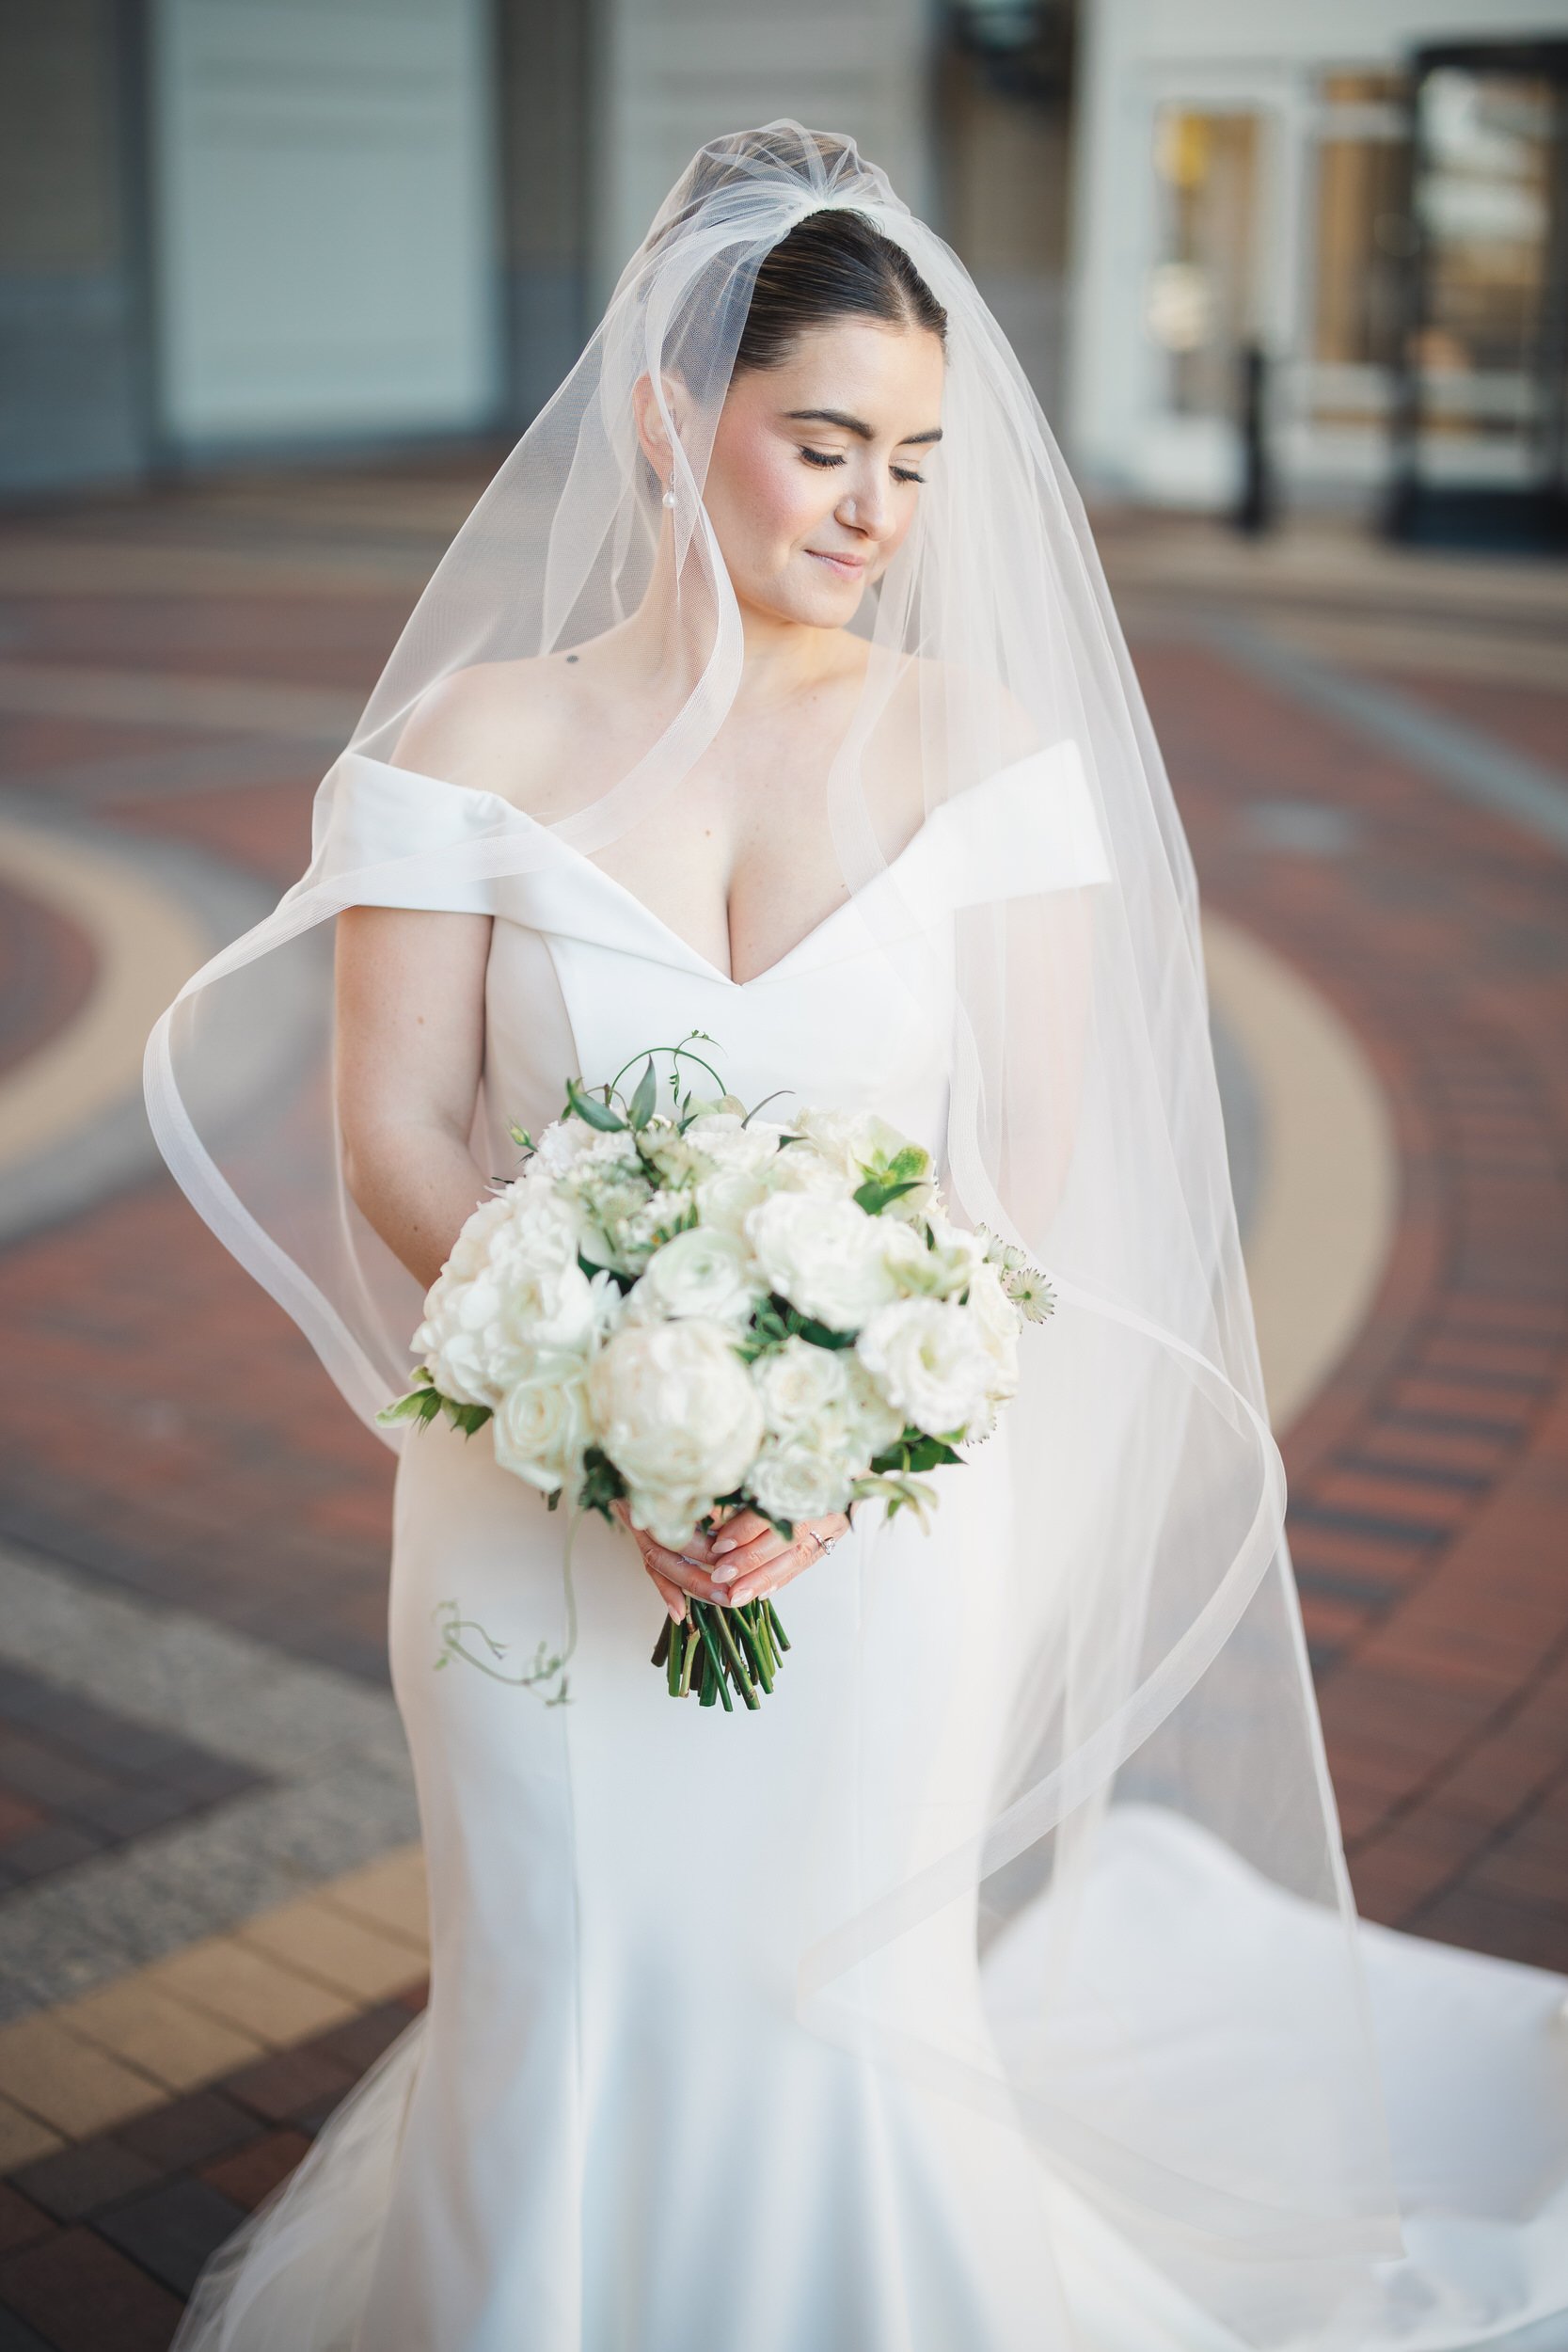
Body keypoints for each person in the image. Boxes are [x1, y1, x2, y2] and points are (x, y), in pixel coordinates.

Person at [150, 123, 1568, 2352]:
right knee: (561, 1972)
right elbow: (399, 1131)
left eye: (914, 463)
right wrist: (601, 1401)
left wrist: (810, 1471)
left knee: (828, 1989)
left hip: (880, 1527)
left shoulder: (988, 754)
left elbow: (1019, 1186)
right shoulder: (477, 740)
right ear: (663, 417)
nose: (872, 514)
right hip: (526, 1501)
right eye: (823, 444)